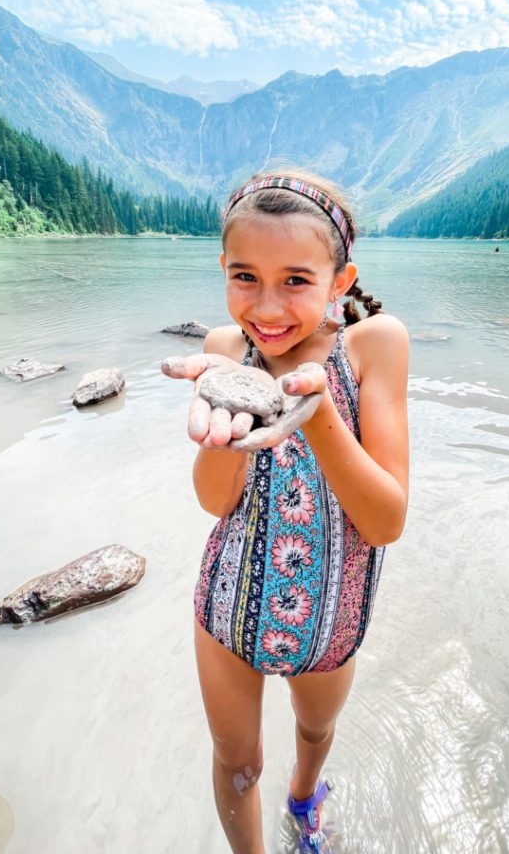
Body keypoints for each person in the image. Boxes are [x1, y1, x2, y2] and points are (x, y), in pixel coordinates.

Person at [163, 170, 409, 853]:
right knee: (237, 763)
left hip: (331, 612)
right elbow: (216, 501)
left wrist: (318, 410)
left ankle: (304, 798)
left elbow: (386, 521)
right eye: (245, 276)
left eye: (296, 280)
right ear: (223, 269)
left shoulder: (372, 346)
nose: (266, 307)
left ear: (340, 279)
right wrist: (234, 417)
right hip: (229, 604)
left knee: (313, 732)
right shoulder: (224, 353)